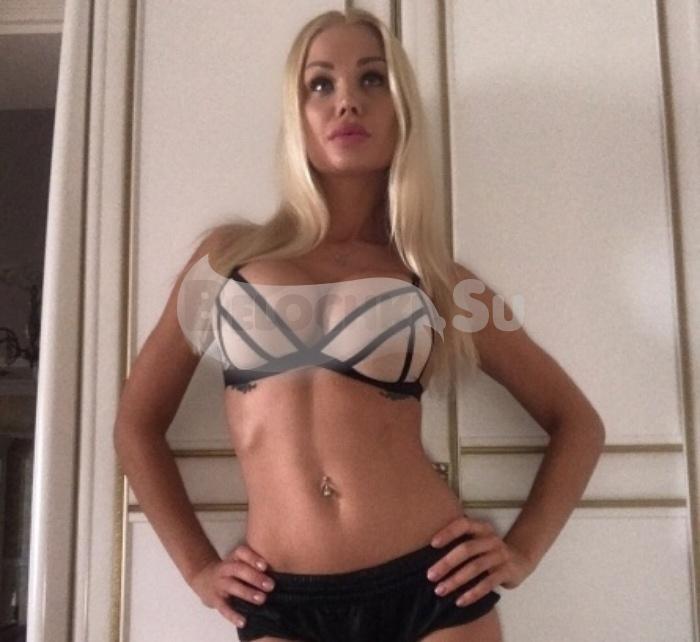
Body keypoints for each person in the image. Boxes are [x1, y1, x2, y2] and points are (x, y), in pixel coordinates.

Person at [114, 8, 606, 642]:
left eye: (372, 79)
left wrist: (522, 551)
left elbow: (577, 423)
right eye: (321, 83)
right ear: (297, 112)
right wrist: (198, 569)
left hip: (433, 590)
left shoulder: (439, 282)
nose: (346, 100)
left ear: (401, 109)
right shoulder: (224, 261)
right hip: (281, 598)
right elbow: (137, 423)